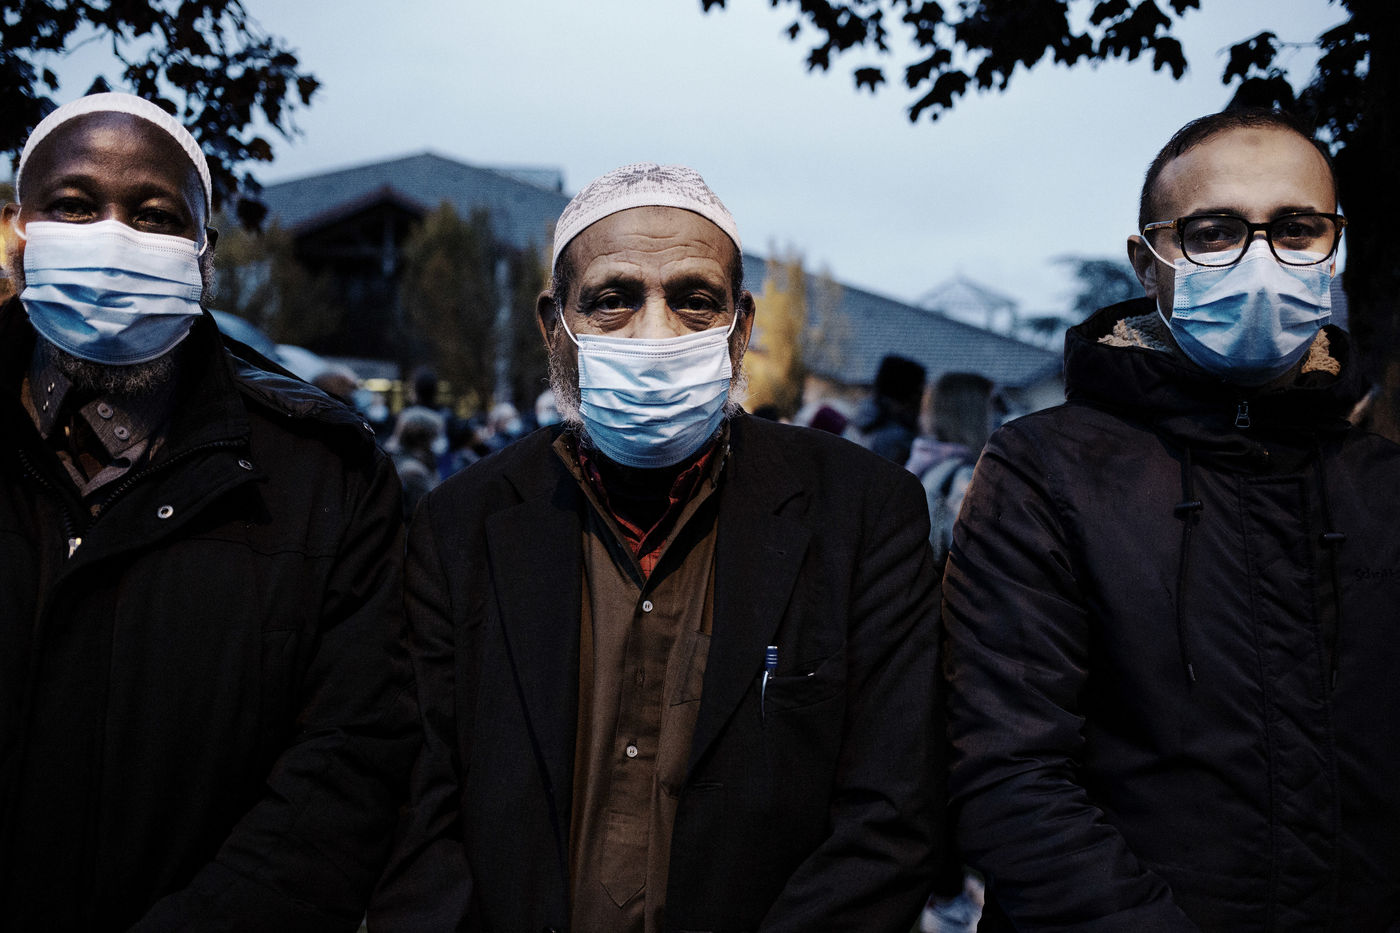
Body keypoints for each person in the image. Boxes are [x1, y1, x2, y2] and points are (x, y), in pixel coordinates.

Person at [371, 162, 944, 932]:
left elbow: (892, 814)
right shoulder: (460, 526)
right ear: (554, 326)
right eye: (613, 299)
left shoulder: (862, 514)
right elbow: (414, 812)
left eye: (693, 300)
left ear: (741, 327)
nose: (655, 334)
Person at [943, 108, 1400, 930]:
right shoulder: (1046, 472)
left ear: (1334, 248)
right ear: (1147, 263)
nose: (1261, 260)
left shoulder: (1382, 485)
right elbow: (1008, 773)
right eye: (1214, 232)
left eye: (1296, 229)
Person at [0, 92, 415, 930]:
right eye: (74, 206)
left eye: (155, 216)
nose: (113, 239)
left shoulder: (321, 477)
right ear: (19, 234)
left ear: (204, 258)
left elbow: (348, 764)